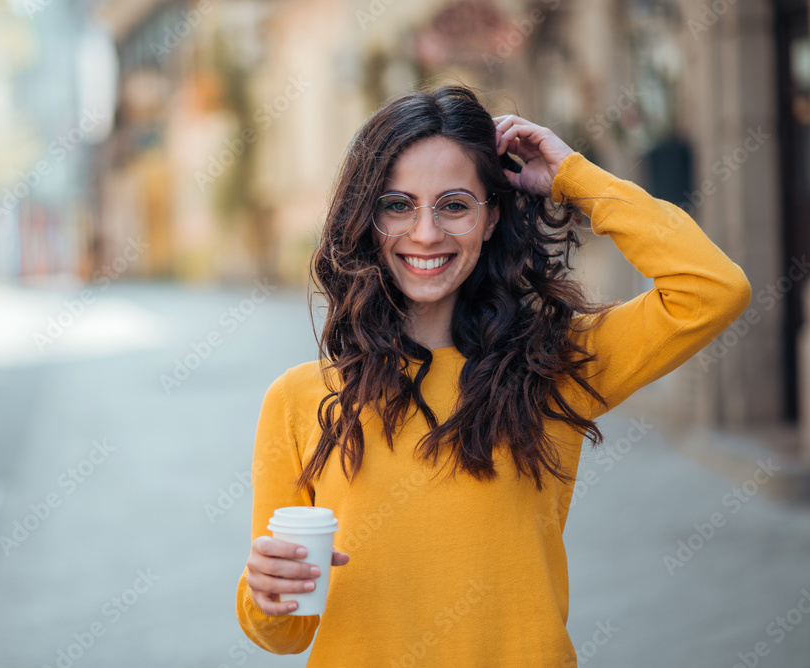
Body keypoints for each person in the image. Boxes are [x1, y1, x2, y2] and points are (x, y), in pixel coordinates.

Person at [235, 84, 751, 666]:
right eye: (397, 204)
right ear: (366, 217)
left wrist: (574, 176)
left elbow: (712, 289)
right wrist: (267, 595)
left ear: (490, 217)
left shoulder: (552, 367)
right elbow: (284, 634)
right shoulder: (299, 400)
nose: (426, 233)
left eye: (454, 204)